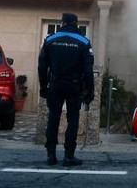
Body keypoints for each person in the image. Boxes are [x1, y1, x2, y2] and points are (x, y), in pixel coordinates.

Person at [38, 13, 94, 166]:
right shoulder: (84, 41)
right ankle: (69, 156)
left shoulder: (50, 40)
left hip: (55, 84)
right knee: (73, 119)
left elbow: (42, 66)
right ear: (76, 23)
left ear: (62, 23)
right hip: (74, 86)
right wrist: (90, 91)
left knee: (53, 118)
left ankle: (51, 155)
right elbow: (88, 70)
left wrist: (43, 87)